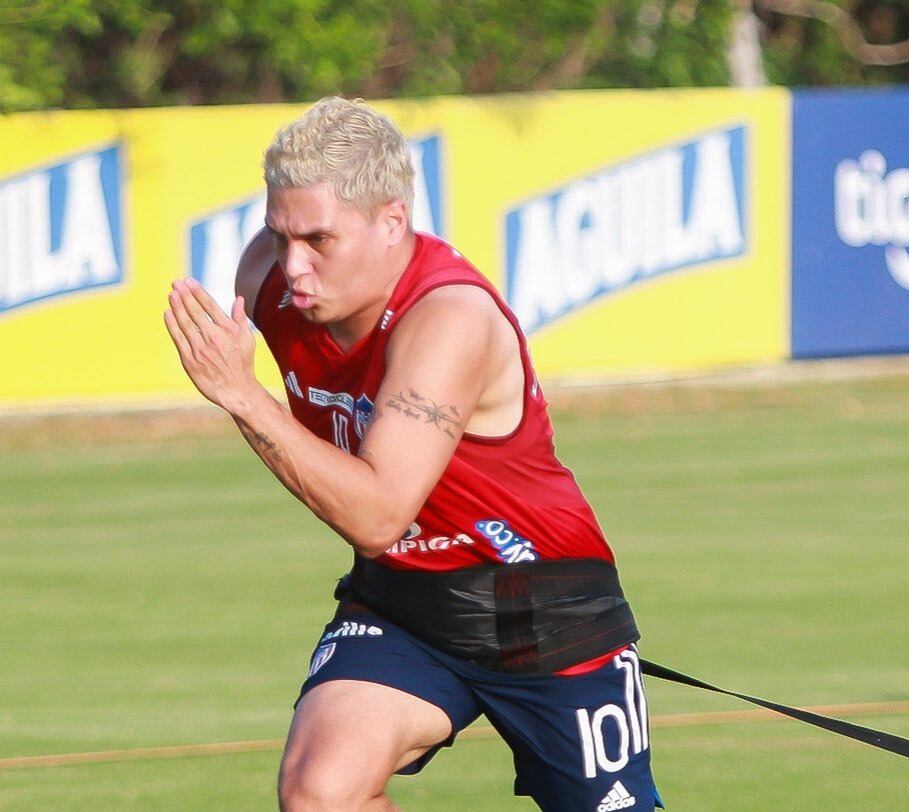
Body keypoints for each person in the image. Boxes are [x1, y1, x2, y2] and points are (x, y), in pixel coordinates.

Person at [164, 96, 661, 812]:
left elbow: (376, 514)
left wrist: (244, 397)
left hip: (543, 607)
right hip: (402, 605)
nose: (291, 265)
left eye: (318, 240)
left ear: (391, 221)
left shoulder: (449, 320)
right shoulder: (269, 281)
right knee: (321, 794)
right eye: (279, 236)